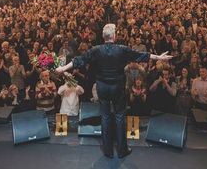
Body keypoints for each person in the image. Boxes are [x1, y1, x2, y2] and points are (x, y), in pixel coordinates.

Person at [56, 23, 172, 159]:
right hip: (117, 88)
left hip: (102, 88)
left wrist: (62, 69)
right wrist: (159, 57)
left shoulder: (96, 50)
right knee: (119, 117)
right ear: (114, 36)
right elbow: (140, 55)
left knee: (105, 117)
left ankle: (107, 151)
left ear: (103, 36)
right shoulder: (121, 49)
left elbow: (79, 60)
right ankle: (122, 150)